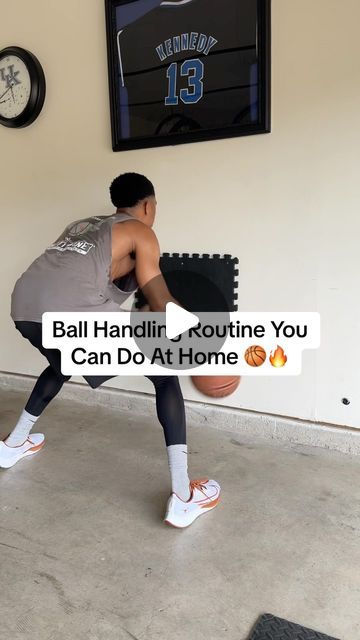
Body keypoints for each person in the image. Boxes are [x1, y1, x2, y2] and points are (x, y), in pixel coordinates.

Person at [2, 172, 220, 528]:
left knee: (62, 365)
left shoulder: (83, 225)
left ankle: (14, 443)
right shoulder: (142, 231)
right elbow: (161, 302)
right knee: (165, 376)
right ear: (148, 205)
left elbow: (79, 275)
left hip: (23, 307)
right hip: (71, 309)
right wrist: (203, 335)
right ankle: (183, 497)